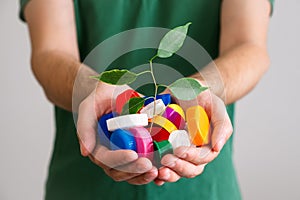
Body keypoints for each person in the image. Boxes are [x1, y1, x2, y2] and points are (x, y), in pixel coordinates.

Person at [20, 0, 273, 199]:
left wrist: (196, 89)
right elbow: (49, 52)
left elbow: (249, 46)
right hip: (83, 185)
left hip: (203, 187)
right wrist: (92, 90)